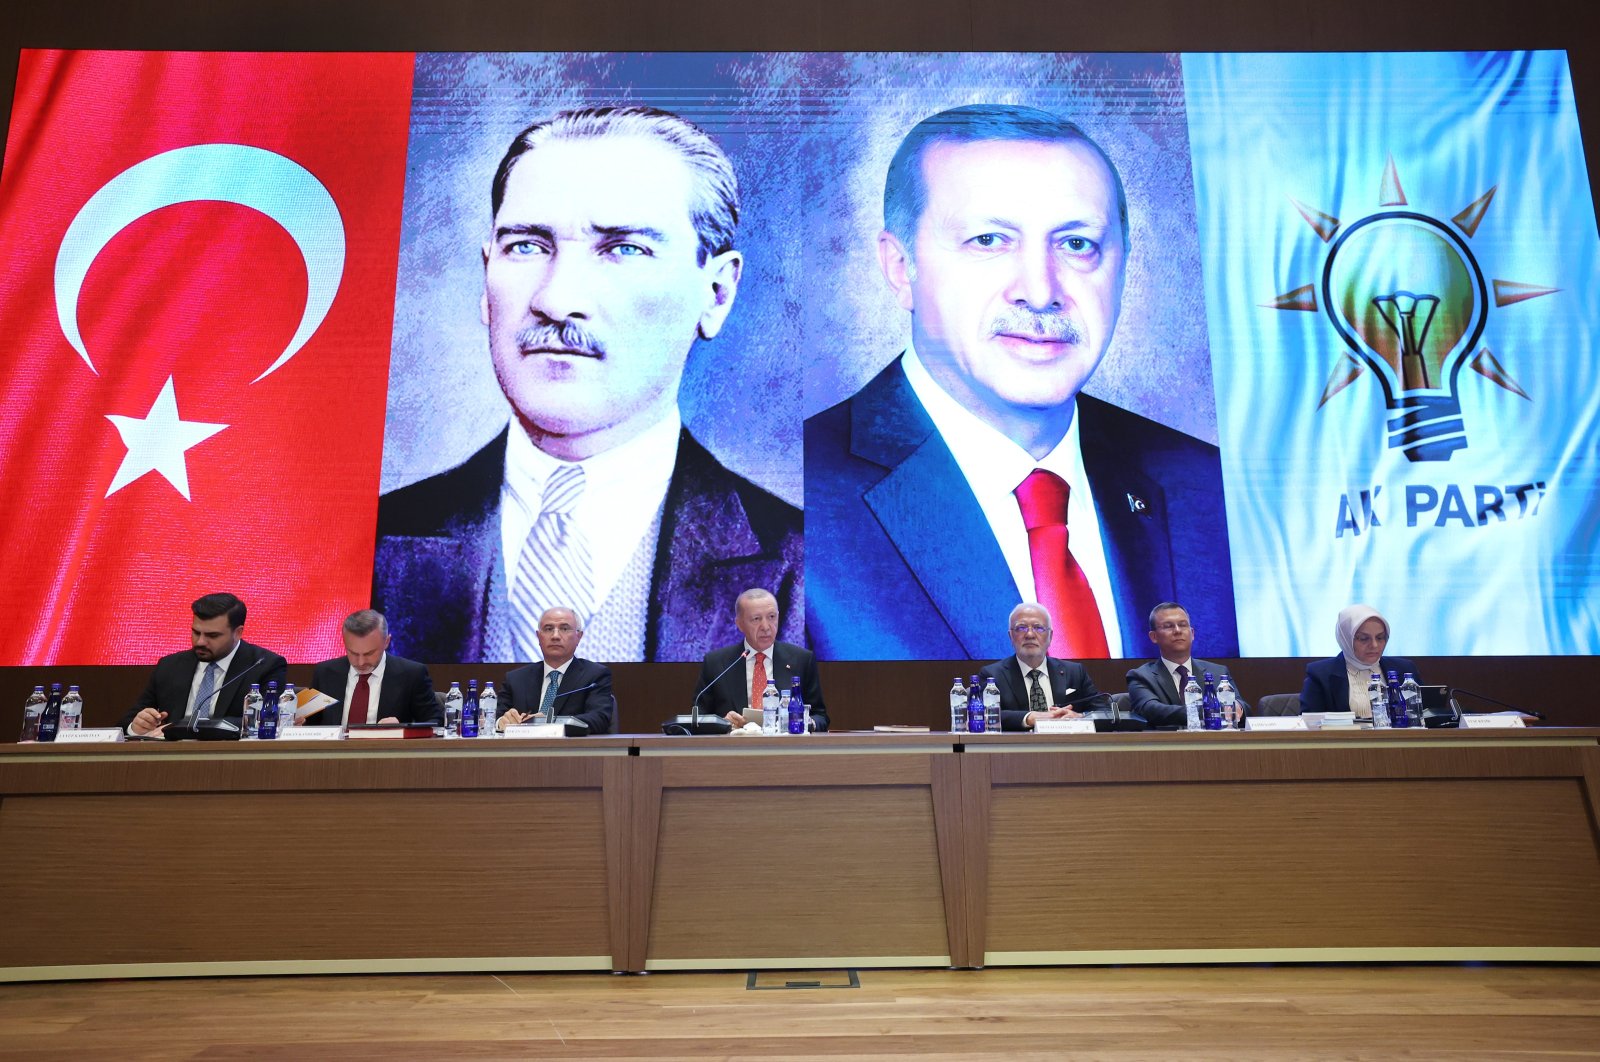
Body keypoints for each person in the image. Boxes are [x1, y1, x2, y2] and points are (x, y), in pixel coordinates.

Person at [804, 103, 1236, 661]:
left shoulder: (1213, 491)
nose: (1039, 289)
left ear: (1123, 265)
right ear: (899, 266)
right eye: (989, 240)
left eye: (1077, 243)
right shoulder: (798, 504)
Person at [372, 105, 802, 665]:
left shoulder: (810, 564)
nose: (555, 299)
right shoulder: (371, 544)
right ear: (486, 275)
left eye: (624, 248)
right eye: (526, 246)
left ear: (716, 292)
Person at [121, 593, 288, 738]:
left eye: (212, 635)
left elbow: (266, 721)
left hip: (230, 758)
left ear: (238, 632)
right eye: (195, 632)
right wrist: (137, 726)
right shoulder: (170, 665)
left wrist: (188, 728)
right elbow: (126, 722)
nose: (200, 642)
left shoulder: (264, 665)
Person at [695, 588, 828, 731]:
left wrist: (807, 723)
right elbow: (698, 718)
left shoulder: (802, 659)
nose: (766, 627)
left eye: (771, 617)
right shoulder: (717, 663)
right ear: (739, 624)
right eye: (756, 619)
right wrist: (722, 724)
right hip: (735, 749)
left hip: (786, 749)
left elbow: (820, 716)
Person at [978, 602, 1110, 731]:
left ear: (1050, 636)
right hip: (1017, 749)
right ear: (1011, 636)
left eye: (1038, 628)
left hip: (1067, 747)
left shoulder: (1075, 672)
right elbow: (983, 714)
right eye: (1021, 628)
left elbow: (1104, 712)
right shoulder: (993, 675)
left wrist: (1080, 717)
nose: (1030, 635)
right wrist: (1029, 717)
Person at [308, 610, 442, 728]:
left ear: (387, 642)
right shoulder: (325, 672)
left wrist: (402, 728)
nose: (360, 662)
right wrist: (296, 722)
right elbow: (307, 721)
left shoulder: (413, 674)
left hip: (387, 754)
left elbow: (436, 722)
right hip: (333, 754)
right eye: (353, 653)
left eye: (369, 653)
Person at [1125, 601, 1248, 728]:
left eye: (1183, 625)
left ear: (1192, 633)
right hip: (1166, 744)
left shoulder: (1218, 672)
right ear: (1154, 636)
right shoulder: (1141, 676)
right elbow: (1150, 710)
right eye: (1168, 626)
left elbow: (1243, 707)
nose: (1177, 631)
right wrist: (1211, 711)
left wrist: (1238, 708)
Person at [497, 606, 616, 735]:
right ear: (538, 636)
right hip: (521, 751)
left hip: (570, 752)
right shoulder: (516, 679)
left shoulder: (595, 676)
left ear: (579, 636)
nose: (555, 636)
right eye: (548, 629)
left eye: (564, 629)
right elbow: (493, 718)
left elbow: (599, 719)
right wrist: (501, 722)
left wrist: (547, 724)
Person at [1300, 604, 1420, 718]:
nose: (1374, 645)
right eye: (1364, 639)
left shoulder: (1405, 669)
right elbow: (1311, 724)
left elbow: (1427, 713)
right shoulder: (1321, 675)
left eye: (1380, 638)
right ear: (1346, 638)